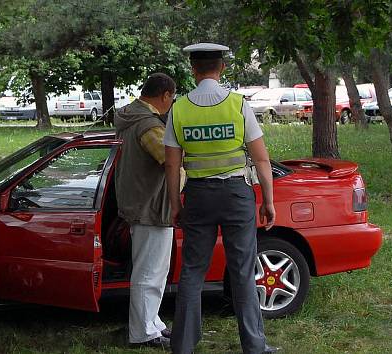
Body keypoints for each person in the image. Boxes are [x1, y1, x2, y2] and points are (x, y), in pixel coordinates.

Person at [163, 43, 279, 354]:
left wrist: (176, 204)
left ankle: (183, 345)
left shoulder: (179, 108)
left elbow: (172, 164)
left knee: (192, 270)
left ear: (193, 70)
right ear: (222, 68)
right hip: (236, 195)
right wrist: (268, 201)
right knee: (242, 270)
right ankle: (255, 347)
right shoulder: (239, 105)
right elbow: (262, 160)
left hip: (198, 197)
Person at [114, 73, 177, 349]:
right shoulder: (149, 126)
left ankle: (152, 323)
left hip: (140, 202)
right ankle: (142, 332)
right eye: (171, 98)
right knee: (149, 272)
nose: (171, 103)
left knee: (154, 271)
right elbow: (168, 159)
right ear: (164, 95)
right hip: (150, 205)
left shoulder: (131, 118)